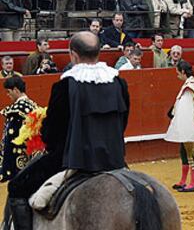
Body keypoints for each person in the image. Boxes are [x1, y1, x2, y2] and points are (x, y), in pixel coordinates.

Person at [7, 31, 130, 230]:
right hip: (115, 160)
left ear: (73, 54)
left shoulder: (65, 86)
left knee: (16, 188)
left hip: (72, 160)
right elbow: (123, 122)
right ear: (99, 53)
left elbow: (52, 134)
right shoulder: (118, 82)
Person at [165, 60, 194, 193]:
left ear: (183, 71)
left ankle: (193, 183)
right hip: (184, 121)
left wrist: (182, 124)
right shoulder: (192, 84)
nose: (176, 74)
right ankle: (184, 181)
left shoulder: (190, 86)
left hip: (188, 122)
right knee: (184, 151)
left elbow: (186, 107)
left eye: (178, 71)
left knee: (191, 152)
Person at [0, 76, 37, 182]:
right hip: (31, 156)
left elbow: (10, 139)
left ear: (16, 90)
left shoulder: (16, 110)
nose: (8, 95)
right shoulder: (32, 105)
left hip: (18, 157)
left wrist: (5, 168)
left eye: (8, 91)